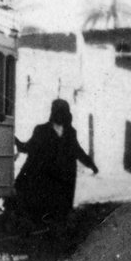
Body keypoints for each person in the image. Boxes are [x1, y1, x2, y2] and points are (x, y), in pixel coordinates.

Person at [13, 98, 98, 228]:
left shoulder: (70, 132)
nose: (60, 115)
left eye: (62, 112)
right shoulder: (41, 130)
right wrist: (16, 141)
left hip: (64, 179)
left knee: (61, 211)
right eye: (57, 112)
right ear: (53, 113)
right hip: (47, 177)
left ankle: (59, 235)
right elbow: (30, 147)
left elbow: (77, 151)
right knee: (45, 209)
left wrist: (91, 164)